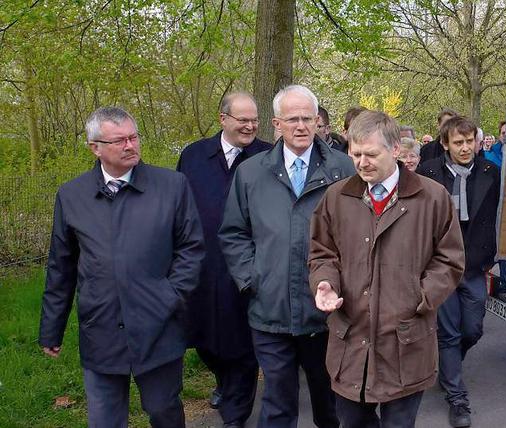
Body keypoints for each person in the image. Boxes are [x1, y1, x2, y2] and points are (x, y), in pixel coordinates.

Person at [39, 106, 205, 427]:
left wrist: (169, 297)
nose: (130, 145)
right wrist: (51, 328)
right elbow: (61, 265)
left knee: (163, 410)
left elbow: (192, 249)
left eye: (133, 137)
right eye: (119, 141)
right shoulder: (72, 195)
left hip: (158, 325)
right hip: (100, 326)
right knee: (104, 418)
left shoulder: (172, 186)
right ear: (95, 147)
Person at [308, 110, 465, 428]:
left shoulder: (433, 198)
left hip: (405, 340)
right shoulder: (336, 197)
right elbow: (322, 253)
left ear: (395, 149)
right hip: (351, 339)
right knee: (353, 422)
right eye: (355, 154)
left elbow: (450, 259)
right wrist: (325, 283)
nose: (362, 163)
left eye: (371, 154)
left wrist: (419, 297)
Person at [219, 84, 355, 428]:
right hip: (270, 310)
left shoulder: (343, 170)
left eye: (308, 118)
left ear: (318, 121)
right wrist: (253, 279)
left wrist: (345, 284)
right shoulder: (251, 173)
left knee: (330, 404)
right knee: (278, 403)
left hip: (326, 312)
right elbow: (233, 233)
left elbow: (360, 236)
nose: (301, 126)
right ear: (277, 124)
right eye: (292, 119)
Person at [176, 92, 269, 428]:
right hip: (202, 265)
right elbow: (178, 206)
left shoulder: (268, 156)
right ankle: (224, 381)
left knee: (243, 342)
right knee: (204, 337)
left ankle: (235, 413)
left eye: (254, 120)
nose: (250, 126)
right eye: (243, 120)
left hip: (247, 264)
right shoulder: (194, 156)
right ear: (223, 119)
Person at [416, 116, 500, 427]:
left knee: (472, 329)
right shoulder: (428, 172)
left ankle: (449, 362)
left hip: (474, 264)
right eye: (458, 142)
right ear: (445, 144)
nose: (465, 148)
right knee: (448, 333)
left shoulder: (490, 171)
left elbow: (497, 213)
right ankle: (457, 398)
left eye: (470, 141)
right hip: (440, 265)